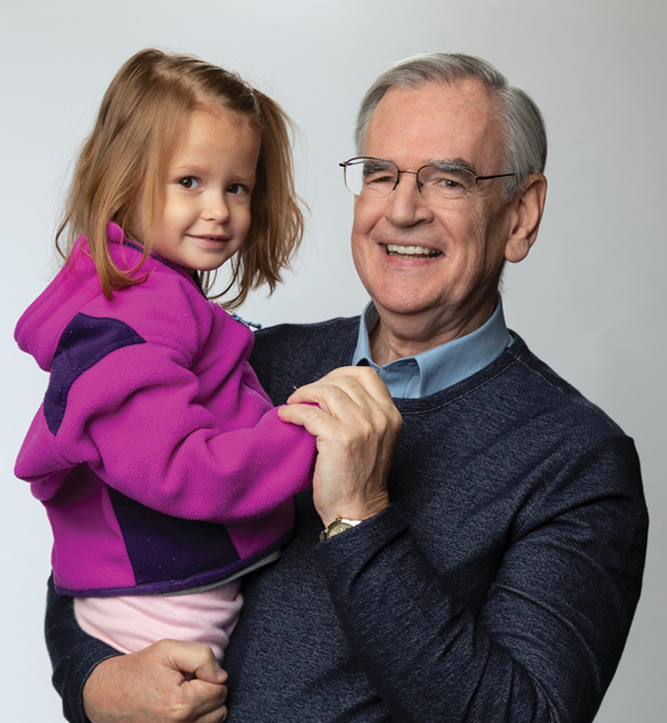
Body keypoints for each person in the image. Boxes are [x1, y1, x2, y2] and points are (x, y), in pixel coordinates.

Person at [44, 53, 647, 723]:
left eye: (447, 179)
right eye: (380, 174)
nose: (402, 209)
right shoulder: (258, 362)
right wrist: (98, 682)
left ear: (520, 215)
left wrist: (359, 515)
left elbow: (522, 715)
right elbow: (107, 558)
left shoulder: (579, 462)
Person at [15, 48, 317, 666]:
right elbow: (179, 467)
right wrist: (311, 432)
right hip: (165, 597)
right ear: (125, 178)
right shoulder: (137, 310)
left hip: (158, 583)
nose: (219, 210)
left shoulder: (145, 290)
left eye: (237, 187)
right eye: (190, 182)